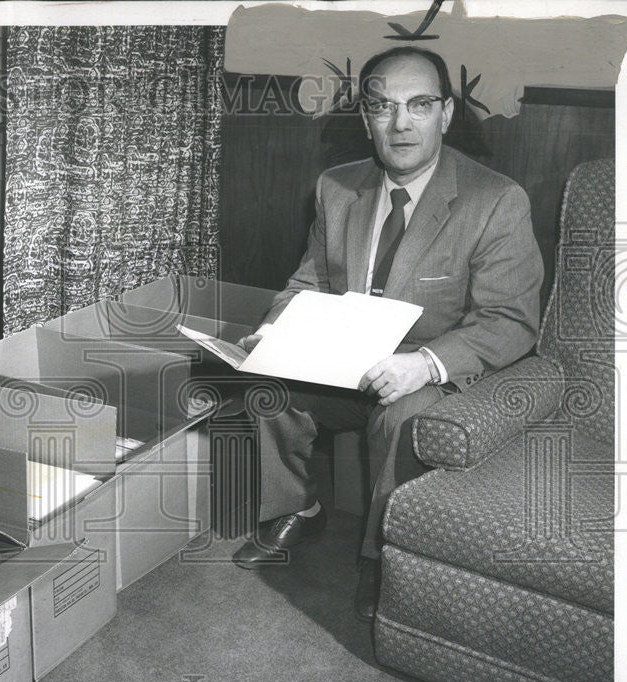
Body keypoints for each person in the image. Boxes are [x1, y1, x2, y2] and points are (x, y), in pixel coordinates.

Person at [231, 46, 544, 621]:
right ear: (367, 118)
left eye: (418, 105)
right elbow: (308, 281)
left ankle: (382, 556)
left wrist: (424, 364)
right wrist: (276, 330)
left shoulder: (495, 199)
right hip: (345, 358)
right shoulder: (337, 187)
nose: (400, 123)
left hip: (430, 365)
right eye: (383, 107)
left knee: (401, 418)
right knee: (267, 382)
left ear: (446, 114)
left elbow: (512, 321)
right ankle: (295, 508)